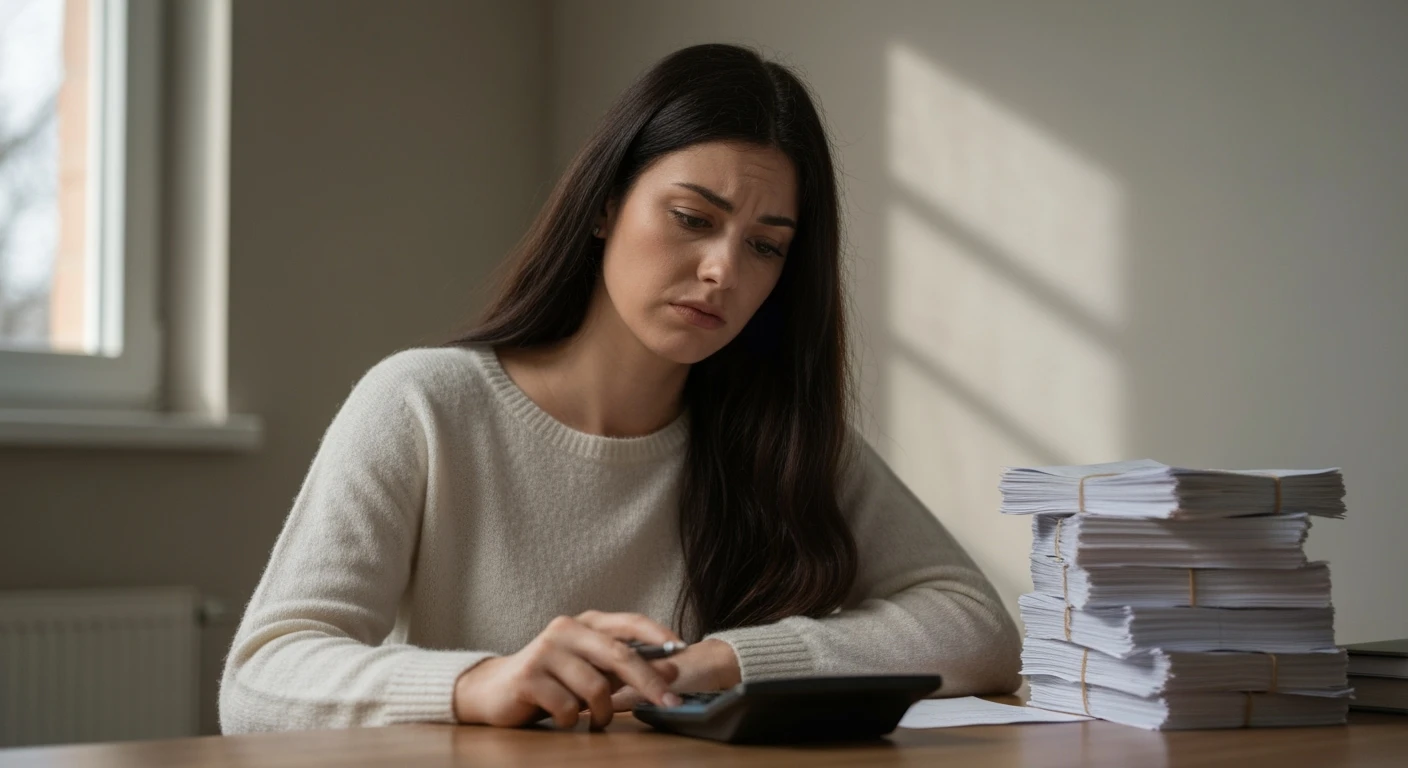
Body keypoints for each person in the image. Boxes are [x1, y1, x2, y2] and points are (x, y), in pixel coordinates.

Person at [218, 42, 1020, 735]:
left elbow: (974, 625)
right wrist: (477, 684)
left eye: (767, 248)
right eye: (691, 217)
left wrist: (727, 662)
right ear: (606, 205)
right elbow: (259, 681)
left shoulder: (777, 432)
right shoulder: (423, 405)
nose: (723, 272)